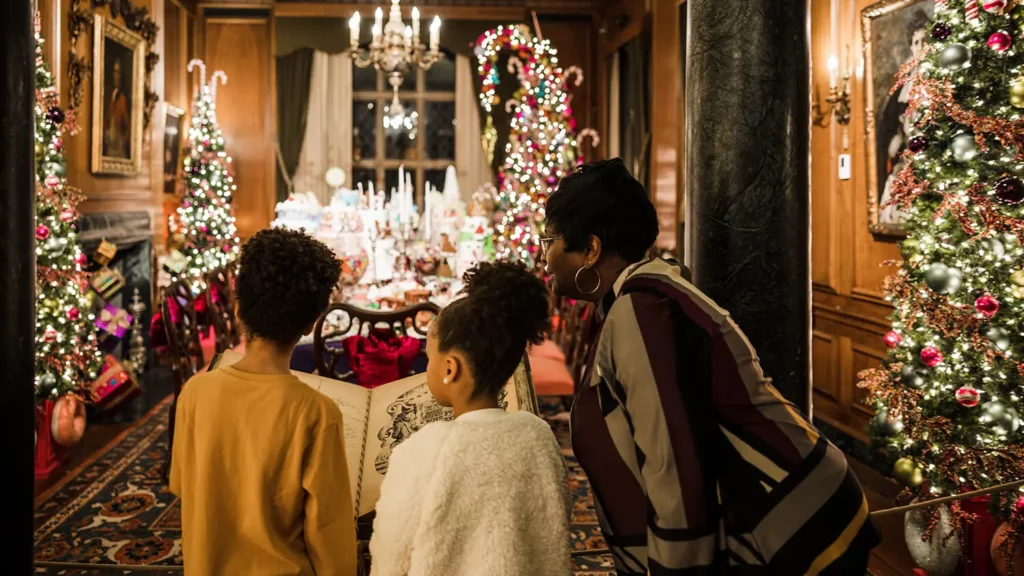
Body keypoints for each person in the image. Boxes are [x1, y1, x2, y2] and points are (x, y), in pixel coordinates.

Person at [540, 159, 879, 575]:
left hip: (795, 529)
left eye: (550, 240)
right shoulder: (632, 297)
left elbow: (673, 461)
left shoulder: (640, 311)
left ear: (590, 250)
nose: (545, 255)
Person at [169, 229, 357, 576]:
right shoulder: (316, 413)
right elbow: (330, 537)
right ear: (310, 324)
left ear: (238, 309)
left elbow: (183, 484)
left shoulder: (194, 393)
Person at [369, 261, 571, 576]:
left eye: (428, 357)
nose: (427, 367)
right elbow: (552, 528)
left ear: (450, 368)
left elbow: (391, 557)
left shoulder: (422, 452)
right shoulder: (538, 434)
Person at [876, 10, 929, 226]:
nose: (921, 46)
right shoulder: (903, 88)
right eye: (916, 42)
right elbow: (887, 132)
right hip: (907, 165)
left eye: (925, 40)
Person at [104, 58, 130, 158]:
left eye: (119, 72)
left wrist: (123, 141)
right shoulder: (111, 95)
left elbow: (128, 124)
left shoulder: (123, 97)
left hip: (118, 145)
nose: (116, 76)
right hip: (110, 144)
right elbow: (107, 118)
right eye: (115, 72)